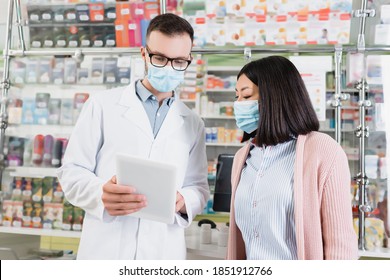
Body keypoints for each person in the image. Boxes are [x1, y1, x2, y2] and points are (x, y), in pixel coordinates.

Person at [57, 13, 209, 260]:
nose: (169, 67)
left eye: (179, 61)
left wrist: (184, 200)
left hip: (162, 251)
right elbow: (72, 171)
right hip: (106, 249)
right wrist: (100, 193)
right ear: (144, 55)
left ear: (189, 60)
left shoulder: (192, 123)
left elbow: (199, 188)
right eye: (160, 58)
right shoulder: (102, 105)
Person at [227, 56, 358, 260]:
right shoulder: (242, 158)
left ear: (275, 97)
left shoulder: (323, 151)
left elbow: (341, 247)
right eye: (236, 97)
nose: (238, 105)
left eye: (246, 96)